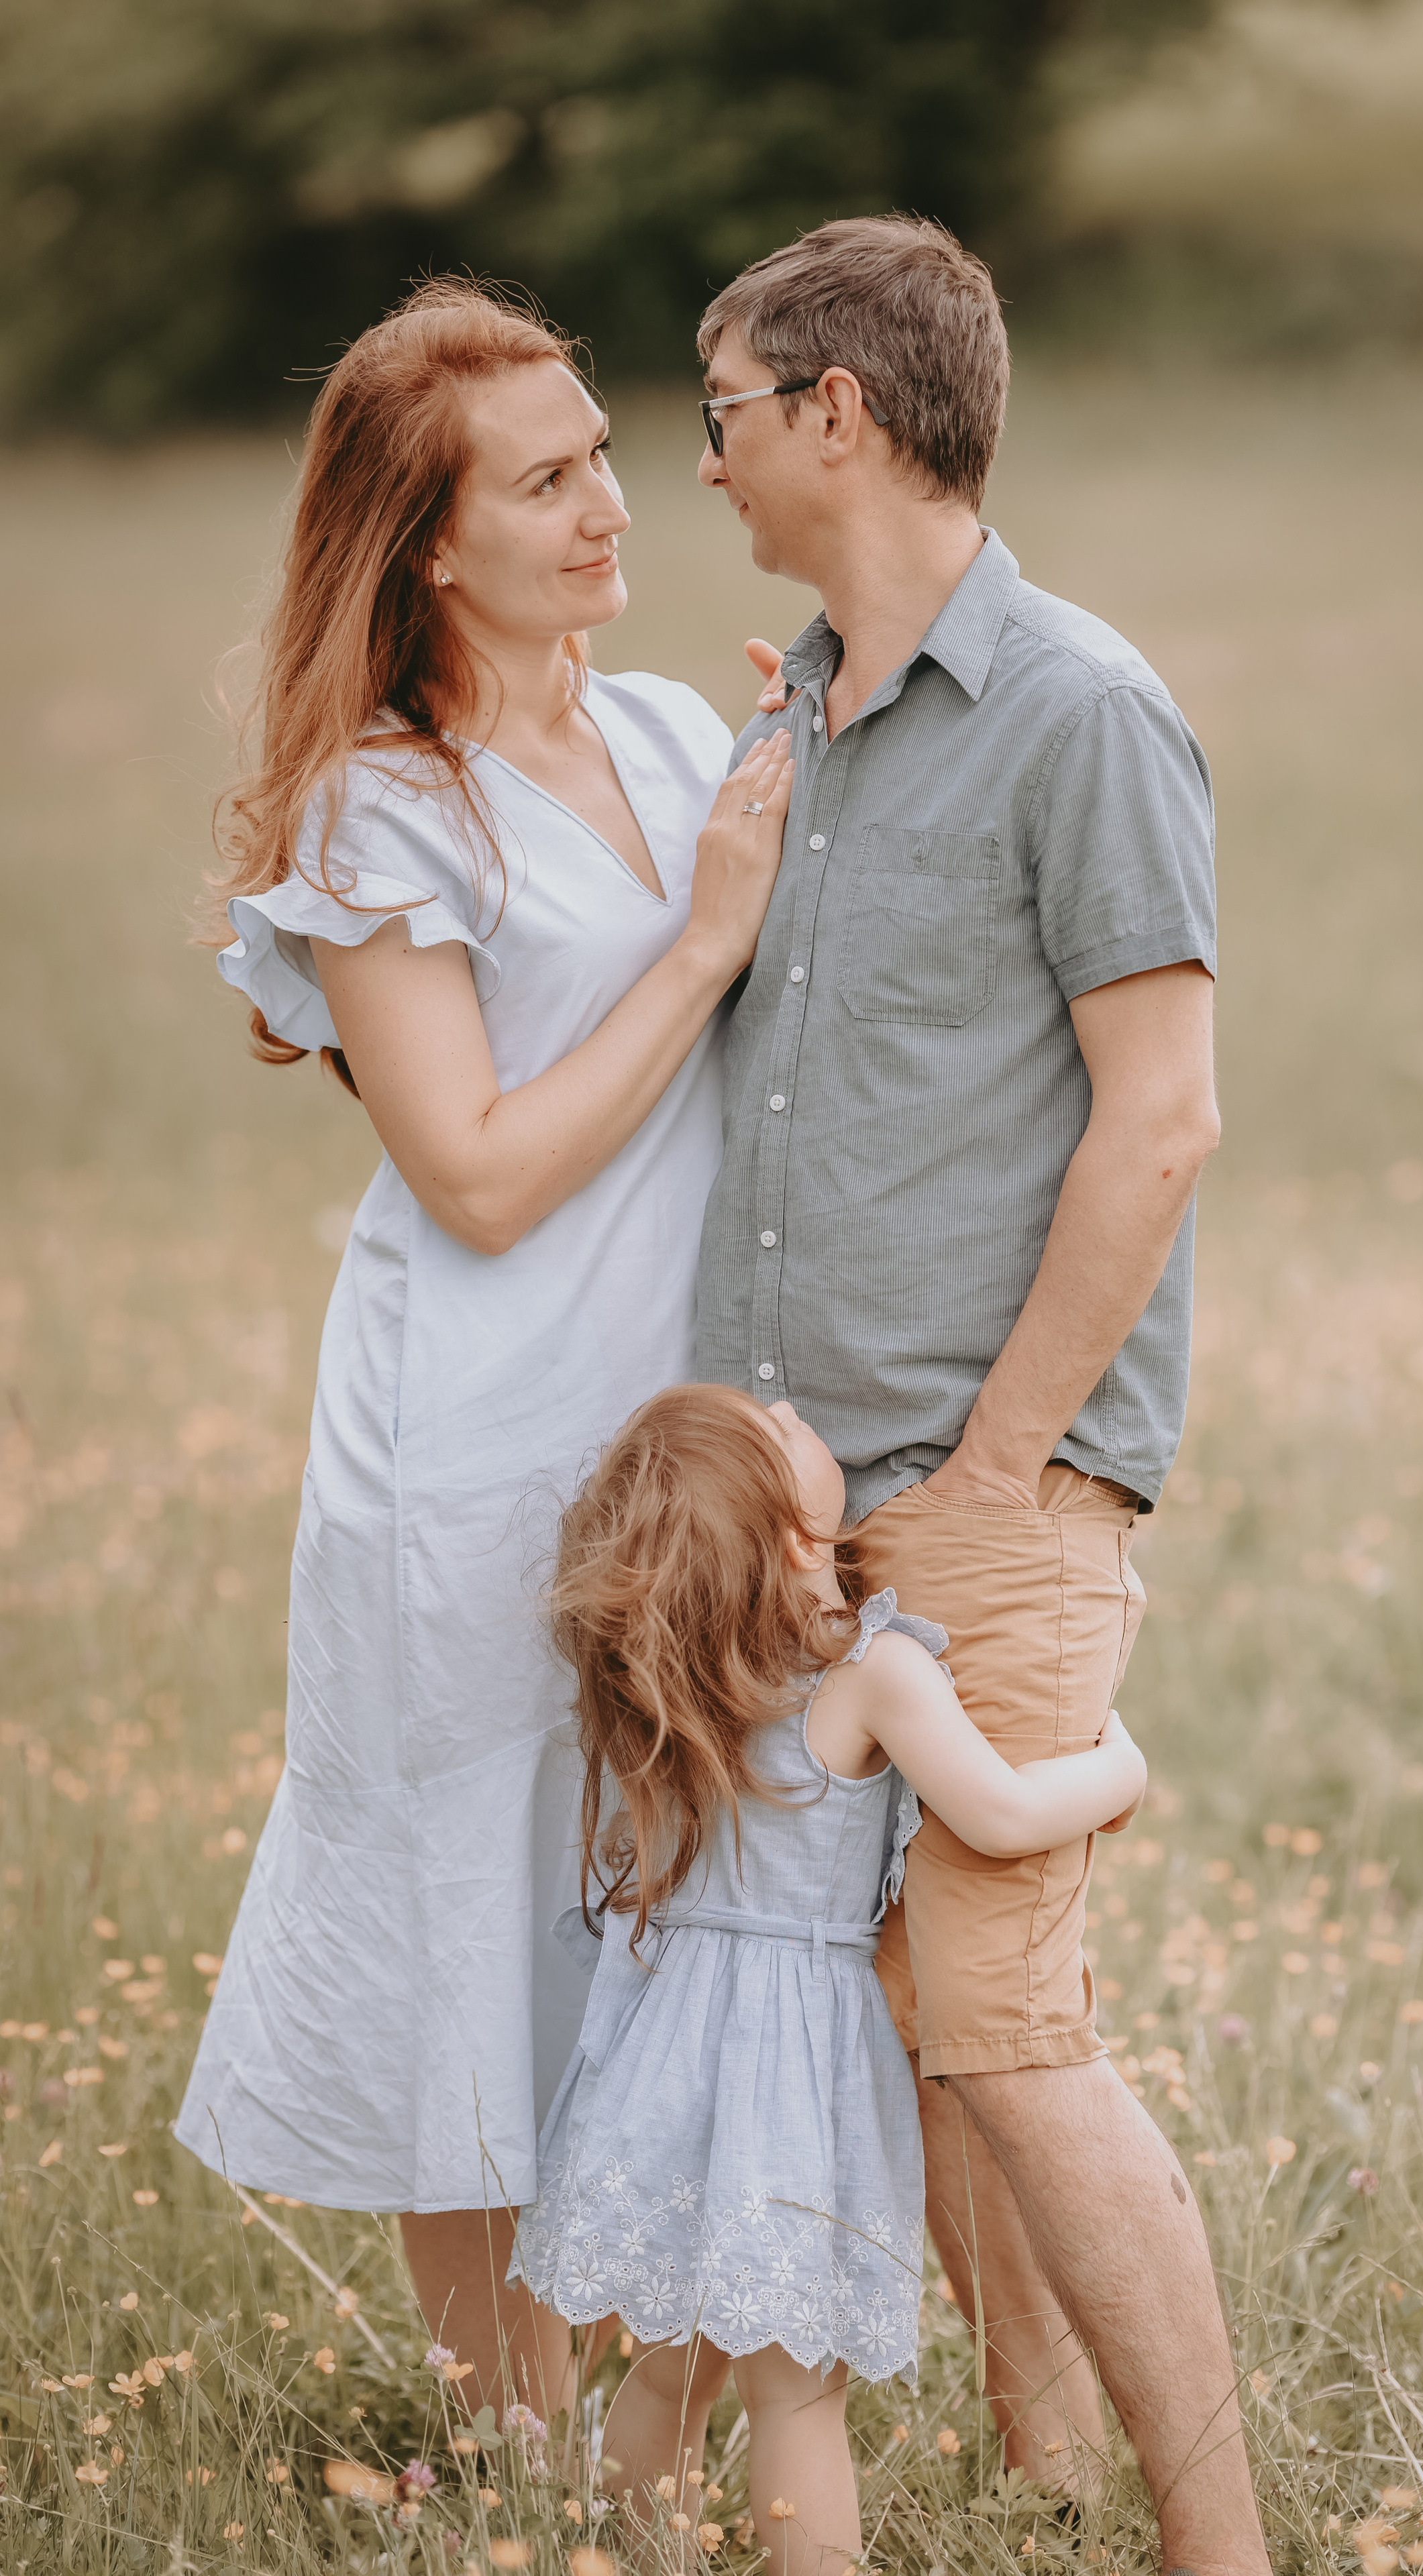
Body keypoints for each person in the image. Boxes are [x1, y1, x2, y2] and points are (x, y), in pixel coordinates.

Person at [694, 219, 1270, 2575]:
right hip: (792, 1497)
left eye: (720, 410)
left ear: (839, 409)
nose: (702, 459)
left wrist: (1011, 1475)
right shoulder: (792, 713)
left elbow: (1164, 1117)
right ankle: (1038, 2463)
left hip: (984, 1487)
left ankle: (1221, 2540)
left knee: (1004, 2010)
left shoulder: (1085, 711)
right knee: (884, 2001)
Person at [172, 277, 794, 2414]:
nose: (615, 503)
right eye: (548, 482)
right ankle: (507, 2431)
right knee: (479, 1909)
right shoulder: (384, 810)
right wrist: (710, 933)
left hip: (672, 1431)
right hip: (474, 1434)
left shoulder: (663, 732)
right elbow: (482, 1174)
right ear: (432, 541)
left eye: (607, 451)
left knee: (658, 1904)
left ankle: (635, 2415)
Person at [511, 1383, 1148, 2576]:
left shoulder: (677, 1687)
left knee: (673, 2361)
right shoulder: (874, 1674)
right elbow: (1003, 1814)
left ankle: (621, 2558)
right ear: (788, 1532)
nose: (790, 1402)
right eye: (774, 1425)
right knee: (799, 2399)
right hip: (794, 2066)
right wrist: (1119, 1766)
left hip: (672, 2060)